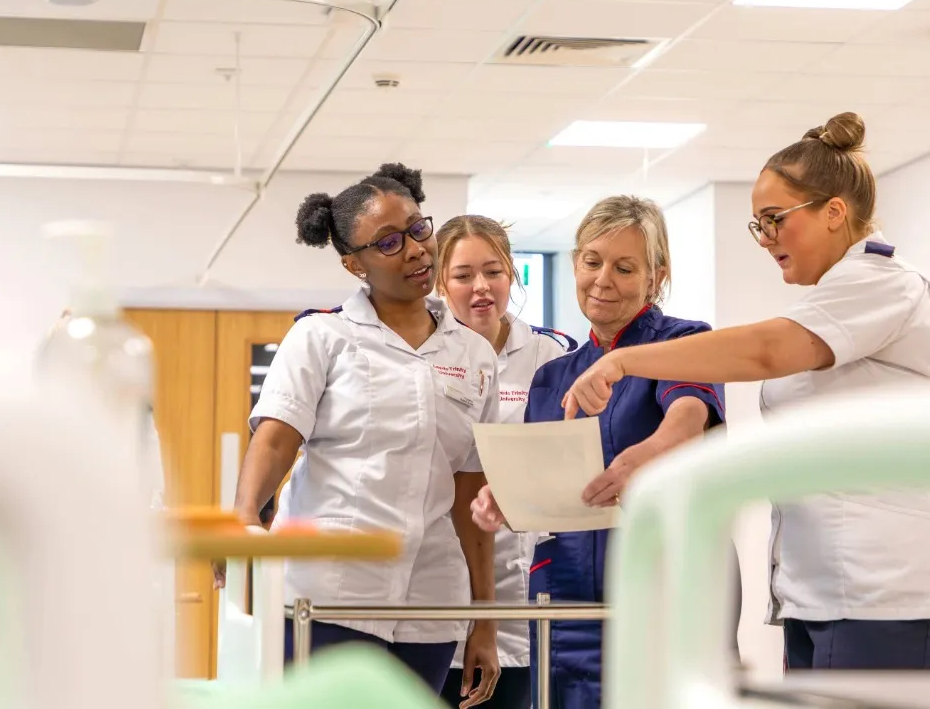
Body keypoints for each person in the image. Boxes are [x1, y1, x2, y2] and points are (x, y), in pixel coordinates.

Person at [560, 113, 930, 672]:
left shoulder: (881, 282)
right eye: (758, 225)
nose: (766, 237)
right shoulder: (830, 300)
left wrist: (624, 361)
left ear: (834, 213)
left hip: (903, 587)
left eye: (775, 219)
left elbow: (762, 352)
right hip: (837, 590)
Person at [227, 163, 501, 705]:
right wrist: (241, 520)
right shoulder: (321, 337)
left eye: (419, 229)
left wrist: (483, 618)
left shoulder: (473, 354)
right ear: (355, 264)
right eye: (389, 243)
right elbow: (278, 438)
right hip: (328, 594)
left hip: (429, 604)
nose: (417, 250)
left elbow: (471, 492)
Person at [471, 196, 728, 708]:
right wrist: (502, 498)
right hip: (563, 599)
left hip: (655, 593)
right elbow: (539, 478)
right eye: (592, 262)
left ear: (656, 276)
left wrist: (642, 456)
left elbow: (688, 419)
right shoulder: (554, 376)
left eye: (624, 267)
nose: (602, 279)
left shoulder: (683, 343)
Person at [435, 214, 577, 709]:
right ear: (439, 281)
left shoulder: (551, 355)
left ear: (513, 273)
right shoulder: (423, 354)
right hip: (441, 577)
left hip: (524, 582)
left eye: (494, 272)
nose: (481, 288)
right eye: (462, 275)